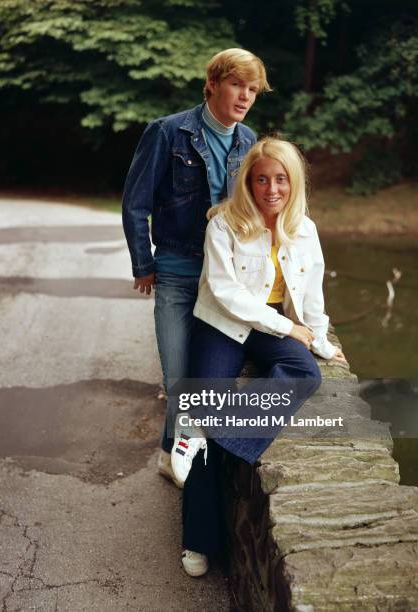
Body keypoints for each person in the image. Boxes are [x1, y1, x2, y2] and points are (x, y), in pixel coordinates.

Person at [170, 136, 347, 577]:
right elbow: (227, 294)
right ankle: (198, 540)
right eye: (262, 178)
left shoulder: (304, 229)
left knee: (304, 371)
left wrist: (320, 340)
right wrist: (291, 328)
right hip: (223, 324)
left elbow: (313, 294)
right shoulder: (224, 224)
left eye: (281, 179)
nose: (272, 188)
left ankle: (220, 432)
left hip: (270, 326)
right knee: (203, 416)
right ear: (248, 182)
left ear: (294, 182)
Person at [122, 49, 271, 486]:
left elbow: (256, 211)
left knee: (206, 380)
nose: (245, 96)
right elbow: (135, 203)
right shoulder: (167, 133)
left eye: (252, 89)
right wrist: (142, 263)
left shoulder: (249, 142)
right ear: (213, 85)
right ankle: (174, 454)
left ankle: (176, 455)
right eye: (237, 85)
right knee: (177, 375)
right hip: (176, 273)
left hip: (225, 279)